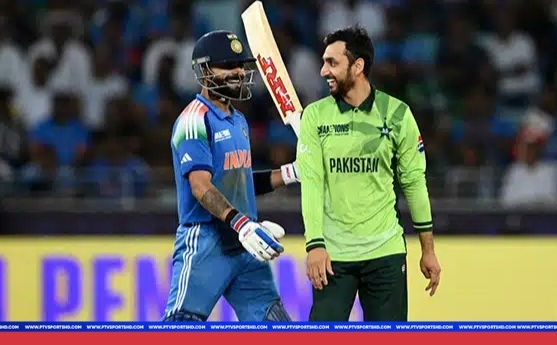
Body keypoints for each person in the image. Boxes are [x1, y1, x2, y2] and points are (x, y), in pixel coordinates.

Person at [297, 25, 441, 322]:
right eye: (323, 62)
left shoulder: (397, 114)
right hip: (333, 256)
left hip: (385, 253)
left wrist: (428, 250)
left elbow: (414, 183)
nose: (323, 71)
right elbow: (311, 184)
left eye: (332, 62)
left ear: (358, 66)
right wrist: (315, 244)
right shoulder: (314, 116)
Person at [161, 30, 300, 322]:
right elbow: (200, 186)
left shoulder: (239, 120)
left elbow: (241, 182)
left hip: (245, 240)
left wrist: (292, 173)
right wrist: (242, 224)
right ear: (205, 71)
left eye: (241, 65)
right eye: (228, 66)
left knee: (275, 326)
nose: (238, 72)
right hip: (206, 240)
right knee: (180, 328)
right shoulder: (194, 120)